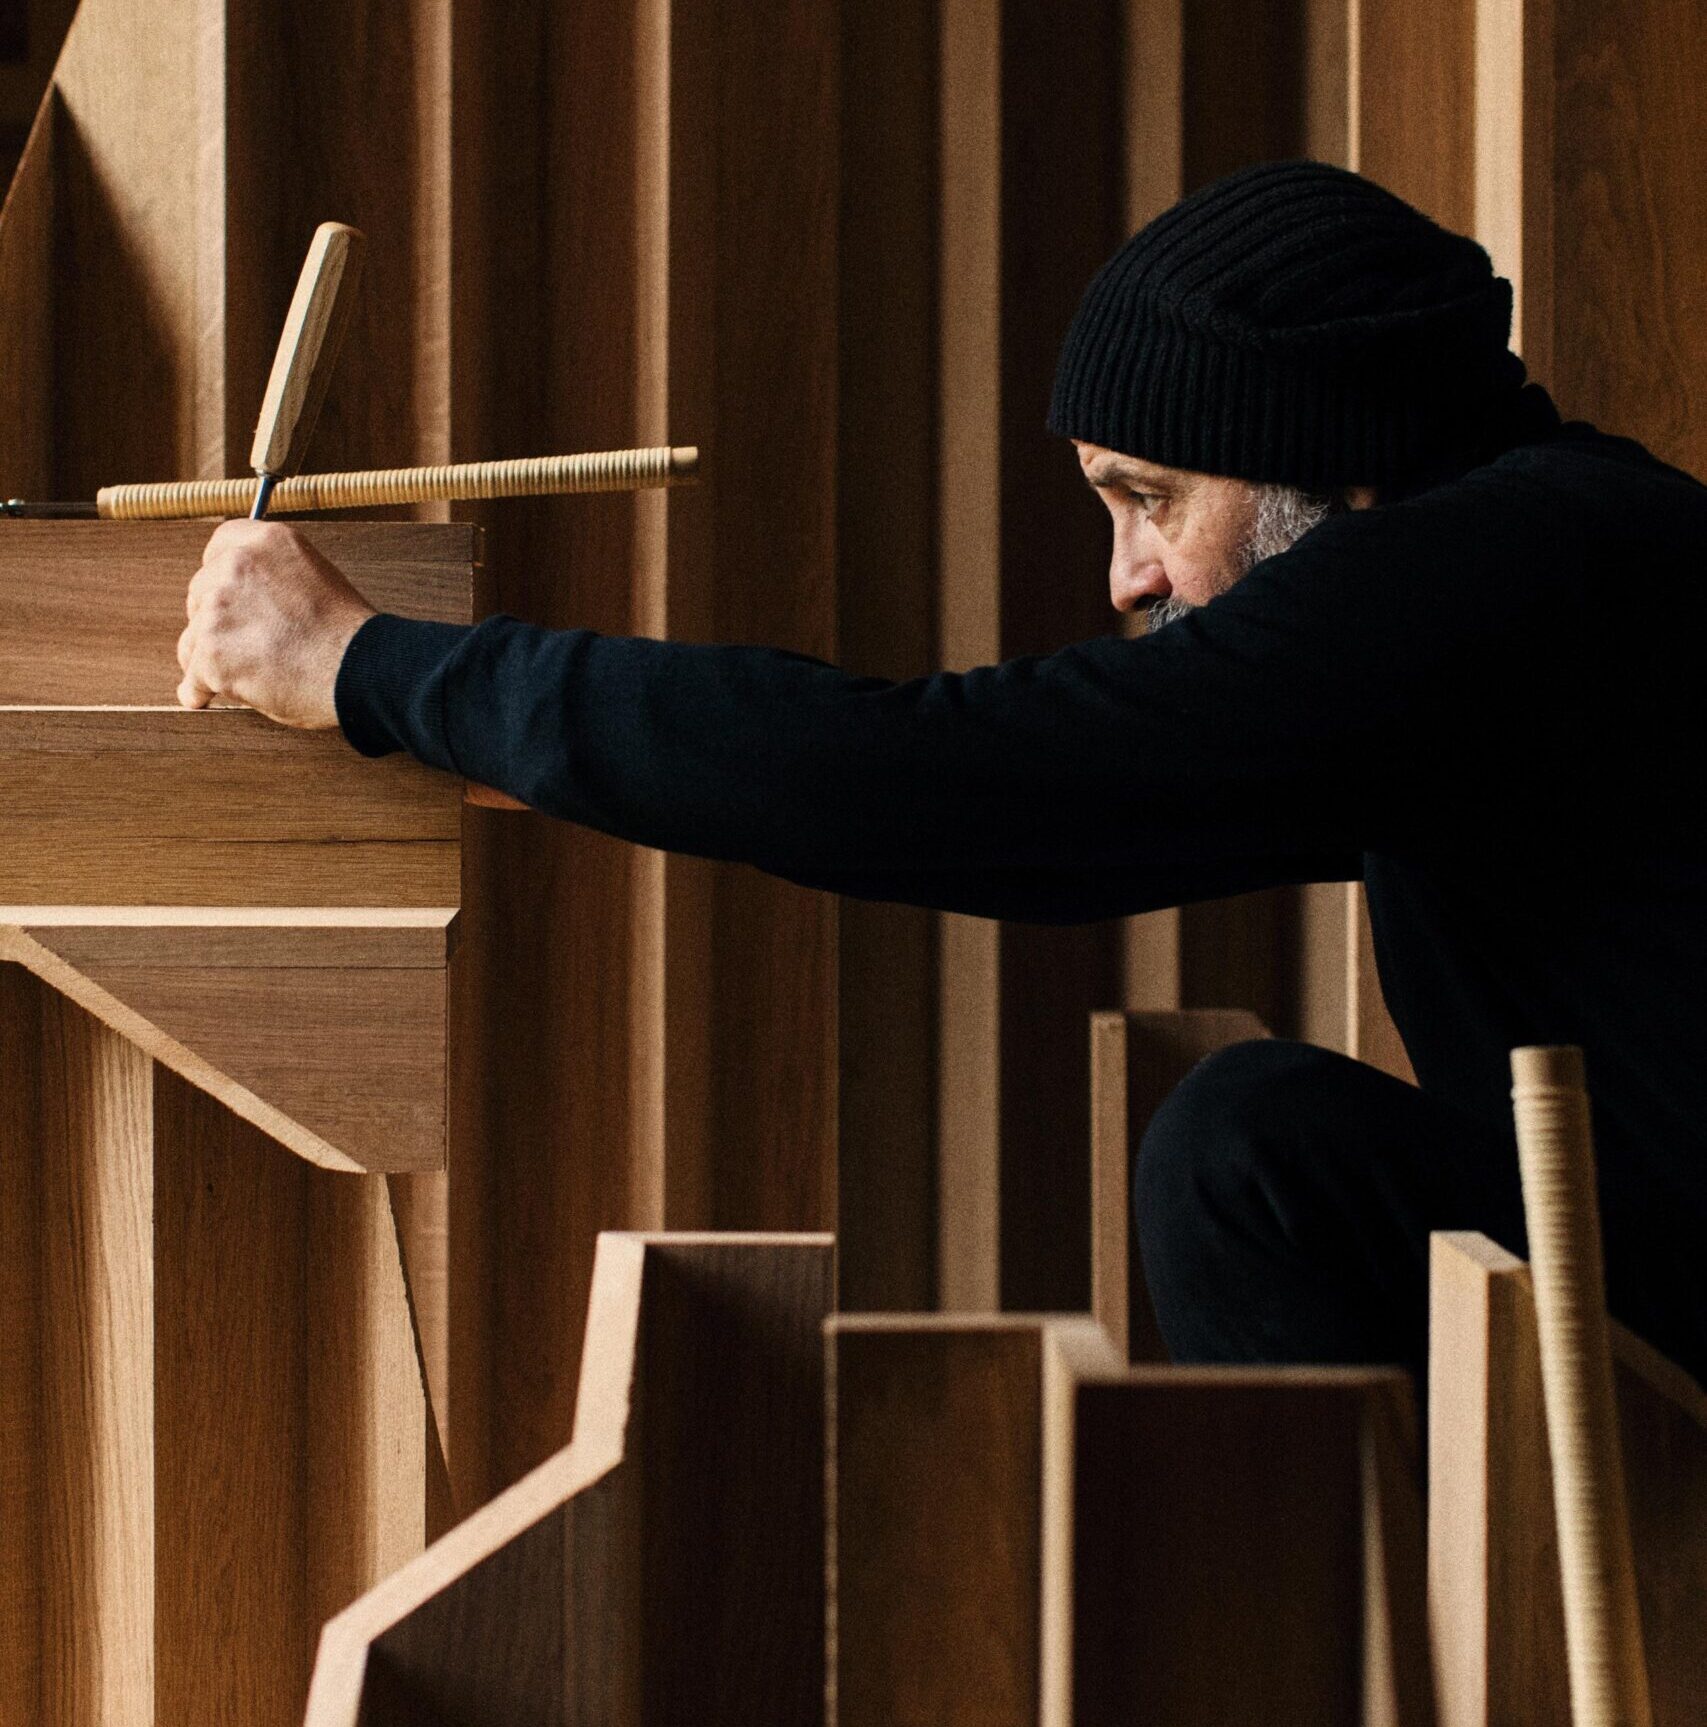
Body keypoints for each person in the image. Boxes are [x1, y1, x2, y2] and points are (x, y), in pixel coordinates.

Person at [176, 160, 1707, 1390]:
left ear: (1333, 464)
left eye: (1153, 498)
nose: (1127, 575)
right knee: (1262, 1156)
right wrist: (463, 731)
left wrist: (371, 664)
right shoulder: (1546, 559)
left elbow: (953, 777)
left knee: (1247, 1159)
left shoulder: (1507, 574)